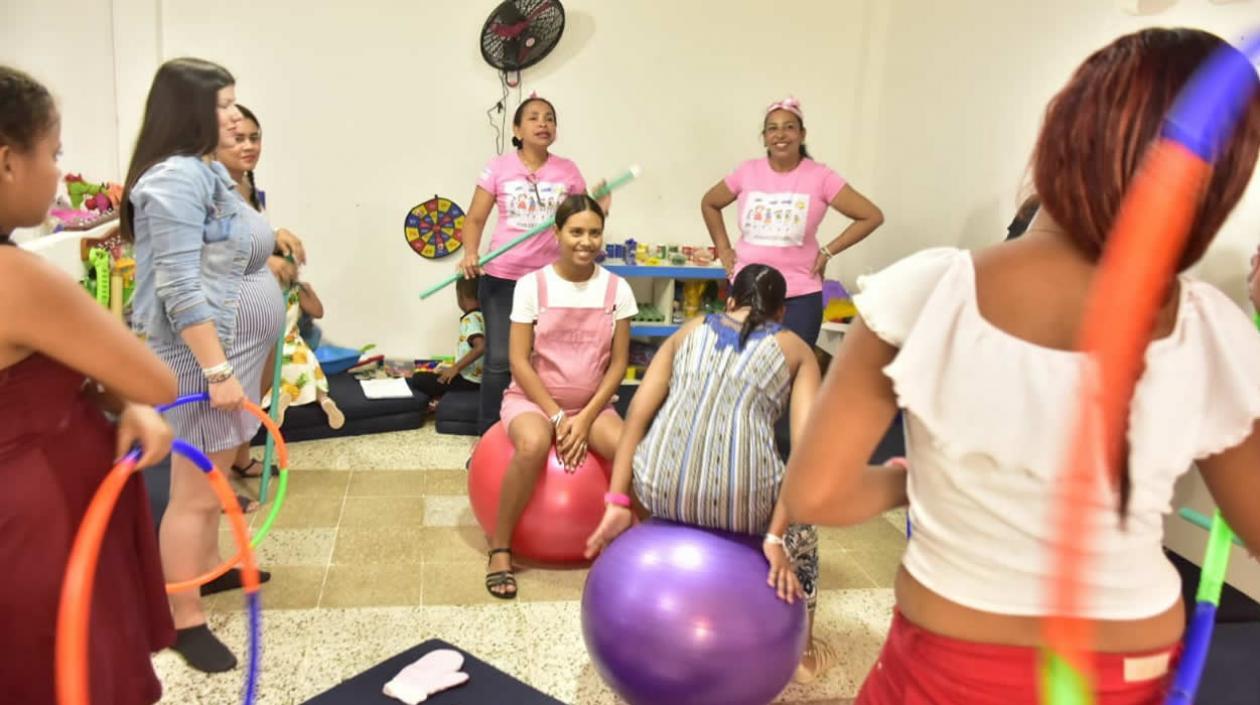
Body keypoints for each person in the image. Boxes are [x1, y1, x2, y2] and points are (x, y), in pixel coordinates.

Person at [782, 28, 1260, 705]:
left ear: (1061, 137)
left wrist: (907, 483)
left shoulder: (927, 290)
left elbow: (816, 495)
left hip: (945, 663)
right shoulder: (1212, 326)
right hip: (1128, 666)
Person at [585, 264, 883, 683]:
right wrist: (775, 537)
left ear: (728, 301)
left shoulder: (688, 330)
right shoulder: (798, 350)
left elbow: (636, 415)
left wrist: (618, 501)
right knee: (806, 536)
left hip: (657, 487)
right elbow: (807, 452)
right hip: (742, 501)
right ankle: (803, 655)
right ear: (781, 312)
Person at [0, 65, 178, 704]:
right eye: (53, 154)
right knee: (64, 669)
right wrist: (128, 393)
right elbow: (154, 377)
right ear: (7, 162)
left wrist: (117, 397)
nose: (58, 174)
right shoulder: (17, 278)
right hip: (39, 511)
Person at [124, 57, 284, 672]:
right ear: (189, 110)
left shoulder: (207, 172)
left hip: (229, 352)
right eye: (224, 105)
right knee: (193, 494)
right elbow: (179, 288)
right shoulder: (174, 180)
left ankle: (206, 570)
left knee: (212, 483)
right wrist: (217, 372)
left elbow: (232, 253)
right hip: (202, 361)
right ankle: (181, 619)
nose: (235, 116)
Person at [485, 194, 635, 599]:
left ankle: (636, 544)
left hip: (592, 406)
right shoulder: (531, 285)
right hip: (532, 402)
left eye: (594, 232)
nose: (586, 241)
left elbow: (619, 364)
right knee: (533, 445)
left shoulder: (617, 289)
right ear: (557, 233)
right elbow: (518, 361)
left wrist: (584, 419)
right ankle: (500, 548)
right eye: (576, 232)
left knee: (629, 451)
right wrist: (556, 417)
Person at [457, 94, 612, 435]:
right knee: (499, 360)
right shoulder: (498, 167)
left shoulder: (567, 170)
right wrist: (470, 252)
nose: (543, 123)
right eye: (534, 117)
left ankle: (538, 426)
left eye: (550, 118)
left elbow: (581, 221)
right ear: (516, 129)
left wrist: (600, 207)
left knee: (546, 360)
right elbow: (475, 219)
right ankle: (488, 435)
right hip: (503, 279)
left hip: (551, 280)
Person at [700, 96, 884, 349]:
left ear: (802, 134)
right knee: (741, 363)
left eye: (789, 127)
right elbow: (710, 203)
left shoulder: (821, 176)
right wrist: (723, 249)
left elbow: (871, 216)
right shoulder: (747, 171)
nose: (780, 134)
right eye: (772, 128)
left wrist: (827, 252)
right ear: (764, 137)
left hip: (800, 295)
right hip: (748, 291)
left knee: (793, 365)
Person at [410, 277, 484, 405]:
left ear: (461, 297)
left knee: (418, 379)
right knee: (436, 373)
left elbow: (481, 346)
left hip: (469, 381)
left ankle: (436, 399)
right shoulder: (484, 316)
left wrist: (455, 368)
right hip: (480, 378)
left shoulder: (470, 319)